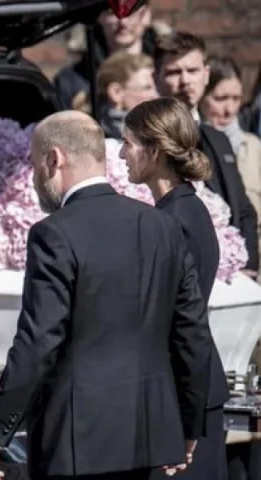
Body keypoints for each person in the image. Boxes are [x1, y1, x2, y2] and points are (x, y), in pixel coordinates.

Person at [0, 110, 213, 480]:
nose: (36, 177)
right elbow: (192, 333)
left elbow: (38, 342)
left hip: (76, 442)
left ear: (54, 159)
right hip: (150, 435)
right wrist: (188, 422)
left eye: (36, 164)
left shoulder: (53, 234)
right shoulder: (162, 225)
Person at [121, 97, 230, 480]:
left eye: (128, 143)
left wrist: (187, 418)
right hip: (189, 393)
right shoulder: (188, 210)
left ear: (153, 150)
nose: (120, 154)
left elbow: (183, 326)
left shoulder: (171, 221)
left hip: (180, 396)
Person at [152, 31, 260, 279]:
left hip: (237, 277)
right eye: (173, 72)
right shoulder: (146, 140)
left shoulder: (217, 138)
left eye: (193, 70)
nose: (185, 81)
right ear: (155, 78)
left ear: (206, 74)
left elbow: (243, 209)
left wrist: (248, 264)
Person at [201, 56, 261, 272]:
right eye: (220, 98)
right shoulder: (196, 145)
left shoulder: (253, 147)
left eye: (236, 99)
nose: (229, 109)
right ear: (202, 96)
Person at [54, 1, 164, 112]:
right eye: (112, 12)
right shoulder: (72, 80)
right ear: (98, 16)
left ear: (146, 15)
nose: (123, 22)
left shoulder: (169, 67)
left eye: (131, 11)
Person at [95, 51, 159, 139]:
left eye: (156, 87)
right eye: (146, 88)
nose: (155, 95)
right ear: (116, 92)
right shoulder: (99, 139)